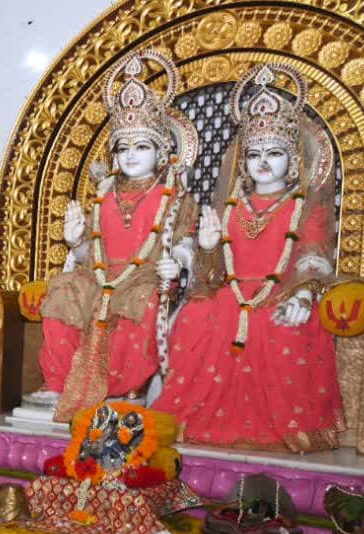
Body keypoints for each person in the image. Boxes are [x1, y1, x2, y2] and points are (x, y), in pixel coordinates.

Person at [154, 64, 343, 453]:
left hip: (283, 292)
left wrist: (304, 295)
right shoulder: (232, 207)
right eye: (254, 153)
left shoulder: (303, 207)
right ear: (242, 160)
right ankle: (197, 420)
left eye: (274, 153)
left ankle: (285, 426)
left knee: (283, 328)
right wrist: (205, 246)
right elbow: (215, 269)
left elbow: (313, 256)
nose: (262, 162)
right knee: (196, 317)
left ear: (293, 160)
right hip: (233, 294)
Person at [26, 51, 197, 422]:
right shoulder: (105, 193)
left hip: (144, 275)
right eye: (123, 147)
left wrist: (179, 261)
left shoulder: (175, 194)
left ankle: (126, 388)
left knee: (145, 298)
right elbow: (93, 251)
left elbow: (184, 242)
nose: (131, 155)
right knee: (65, 287)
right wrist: (76, 243)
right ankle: (57, 382)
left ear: (162, 150)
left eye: (142, 147)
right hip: (101, 276)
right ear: (114, 155)